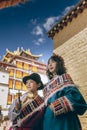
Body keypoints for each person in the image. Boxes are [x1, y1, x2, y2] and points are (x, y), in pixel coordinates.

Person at [42, 53, 87, 130]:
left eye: (53, 62)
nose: (50, 65)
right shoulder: (45, 87)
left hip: (64, 120)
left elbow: (76, 97)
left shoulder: (64, 77)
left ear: (59, 64)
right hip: (48, 122)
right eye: (48, 63)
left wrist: (57, 105)